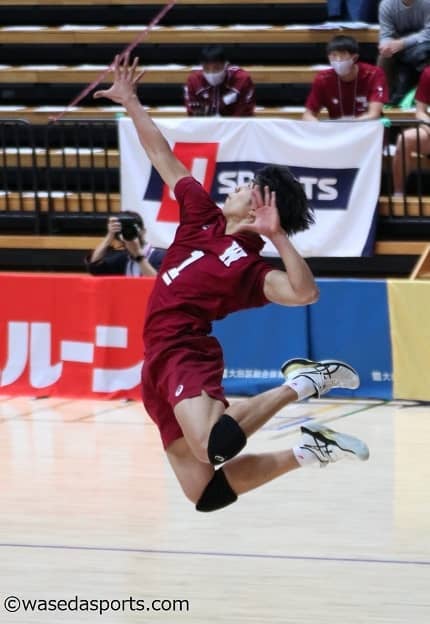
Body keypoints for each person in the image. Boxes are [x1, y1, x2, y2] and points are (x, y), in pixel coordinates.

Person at [93, 54, 369, 514]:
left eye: (245, 186)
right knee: (206, 493)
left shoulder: (251, 267)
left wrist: (277, 236)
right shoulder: (200, 214)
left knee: (213, 445)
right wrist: (131, 102)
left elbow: (305, 293)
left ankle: (302, 383)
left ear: (259, 204)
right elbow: (160, 154)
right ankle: (309, 450)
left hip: (185, 351)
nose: (235, 187)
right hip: (155, 361)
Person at [303, 35, 388, 121]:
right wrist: (318, 126)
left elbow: (374, 114)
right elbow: (308, 115)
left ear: (354, 58)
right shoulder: (323, 78)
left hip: (367, 125)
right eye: (333, 55)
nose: (338, 60)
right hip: (337, 128)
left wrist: (349, 125)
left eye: (343, 55)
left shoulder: (374, 74)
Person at [378, 0, 430, 105]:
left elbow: (428, 33)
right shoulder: (387, 4)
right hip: (398, 44)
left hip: (424, 44)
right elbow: (386, 34)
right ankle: (384, 98)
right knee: (384, 57)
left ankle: (423, 98)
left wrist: (404, 43)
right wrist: (385, 45)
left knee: (424, 54)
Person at [86, 211, 165, 276]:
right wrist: (109, 236)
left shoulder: (162, 256)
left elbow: (161, 285)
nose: (130, 234)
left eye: (133, 230)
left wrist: (139, 257)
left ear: (143, 231)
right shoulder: (122, 259)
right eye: (124, 232)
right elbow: (94, 267)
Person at [184, 44, 255, 117]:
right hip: (205, 123)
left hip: (235, 122)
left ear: (226, 65)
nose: (211, 73)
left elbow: (245, 114)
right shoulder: (193, 80)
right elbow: (192, 113)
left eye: (216, 68)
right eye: (206, 69)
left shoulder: (242, 79)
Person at [392, 64, 430, 193]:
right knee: (405, 139)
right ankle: (398, 194)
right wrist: (428, 126)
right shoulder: (428, 73)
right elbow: (420, 112)